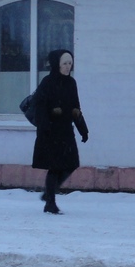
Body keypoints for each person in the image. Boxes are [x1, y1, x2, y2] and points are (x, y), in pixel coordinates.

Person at [31, 48, 88, 215]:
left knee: (71, 164)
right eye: (64, 63)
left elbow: (76, 108)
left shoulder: (71, 83)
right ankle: (50, 203)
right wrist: (45, 127)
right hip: (50, 131)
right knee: (55, 167)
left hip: (66, 131)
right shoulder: (47, 82)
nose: (68, 67)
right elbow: (39, 107)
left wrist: (83, 130)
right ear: (57, 64)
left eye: (70, 63)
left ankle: (49, 193)